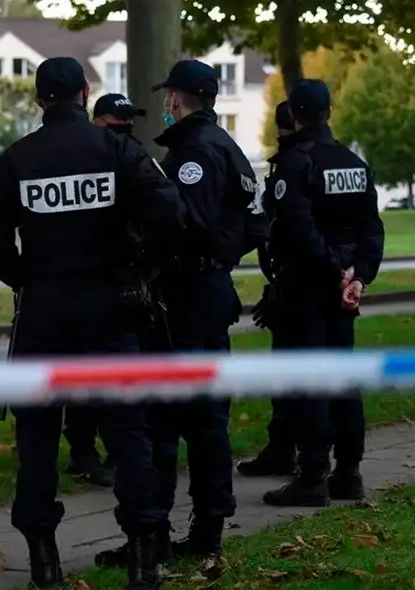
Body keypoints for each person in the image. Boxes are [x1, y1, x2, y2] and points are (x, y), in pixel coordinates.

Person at [0, 56, 184, 589]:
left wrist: (25, 277)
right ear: (85, 94)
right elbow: (170, 215)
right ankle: (142, 557)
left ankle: (44, 560)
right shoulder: (116, 150)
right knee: (128, 434)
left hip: (43, 313)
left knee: (38, 436)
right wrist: (137, 263)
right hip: (109, 309)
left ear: (39, 98)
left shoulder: (17, 160)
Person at [97, 60, 264, 571]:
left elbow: (182, 222)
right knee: (207, 417)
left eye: (168, 96)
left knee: (166, 418)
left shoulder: (194, 153)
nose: (166, 104)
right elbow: (255, 223)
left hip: (185, 297)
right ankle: (206, 528)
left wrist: (144, 247)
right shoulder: (228, 148)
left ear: (175, 99)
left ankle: (157, 532)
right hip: (210, 291)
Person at [259, 79, 385, 507]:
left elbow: (297, 227)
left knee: (310, 377)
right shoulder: (352, 161)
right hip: (343, 287)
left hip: (308, 286)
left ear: (294, 114)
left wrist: (334, 272)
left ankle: (312, 476)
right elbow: (371, 226)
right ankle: (349, 472)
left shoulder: (296, 163)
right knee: (344, 377)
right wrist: (358, 276)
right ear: (329, 111)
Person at [59, 92, 152, 489]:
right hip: (77, 284)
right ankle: (84, 451)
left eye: (130, 126)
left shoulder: (132, 159)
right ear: (96, 121)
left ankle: (112, 452)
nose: (125, 134)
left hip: (117, 284)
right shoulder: (81, 157)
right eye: (117, 126)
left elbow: (162, 214)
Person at [237, 100, 300, 478]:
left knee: (294, 374)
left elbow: (287, 231)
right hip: (312, 282)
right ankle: (290, 451)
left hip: (298, 285)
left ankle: (299, 458)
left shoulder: (292, 167)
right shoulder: (337, 160)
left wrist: (281, 285)